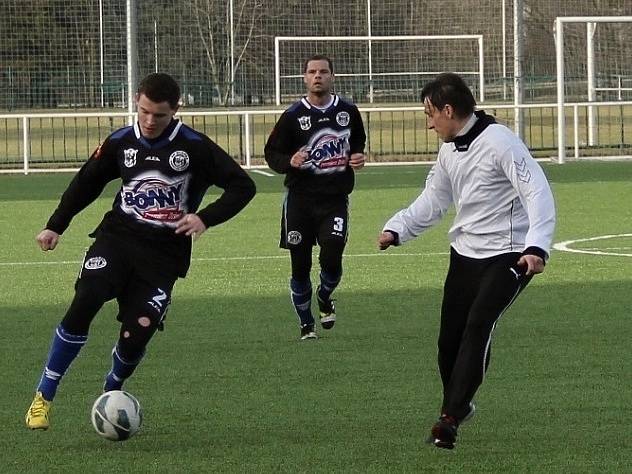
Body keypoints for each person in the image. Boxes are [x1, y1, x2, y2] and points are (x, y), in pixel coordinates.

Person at [25, 72, 256, 430]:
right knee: (86, 297)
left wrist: (205, 218)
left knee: (139, 331)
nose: (149, 121)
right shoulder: (121, 141)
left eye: (159, 115)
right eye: (144, 111)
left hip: (164, 256)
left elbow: (243, 186)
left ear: (176, 110)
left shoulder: (194, 146)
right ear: (136, 100)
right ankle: (44, 396)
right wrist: (56, 224)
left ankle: (111, 391)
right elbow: (85, 184)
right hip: (117, 240)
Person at [377, 72, 556, 449]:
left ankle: (449, 419)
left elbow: (536, 191)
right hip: (465, 254)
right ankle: (459, 406)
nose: (428, 124)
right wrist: (398, 228)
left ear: (448, 109)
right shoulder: (448, 149)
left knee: (479, 324)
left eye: (430, 114)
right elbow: (434, 199)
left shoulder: (501, 143)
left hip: (510, 253)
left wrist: (537, 247)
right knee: (448, 342)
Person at [264, 54, 367, 340]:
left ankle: (324, 295)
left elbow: (357, 139)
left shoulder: (347, 111)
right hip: (299, 200)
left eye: (323, 71)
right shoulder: (293, 116)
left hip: (334, 198)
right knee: (300, 264)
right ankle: (306, 323)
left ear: (332, 76)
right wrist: (290, 161)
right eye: (312, 72)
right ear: (305, 78)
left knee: (332, 256)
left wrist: (357, 155)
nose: (317, 76)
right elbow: (271, 154)